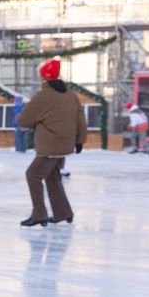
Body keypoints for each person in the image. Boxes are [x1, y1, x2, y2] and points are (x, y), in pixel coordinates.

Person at [16, 59, 87, 227]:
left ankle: (39, 214)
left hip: (50, 145)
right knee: (52, 177)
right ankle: (63, 213)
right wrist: (80, 141)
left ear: (44, 77)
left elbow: (23, 120)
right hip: (65, 145)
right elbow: (80, 118)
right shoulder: (70, 93)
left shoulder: (43, 96)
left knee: (32, 175)